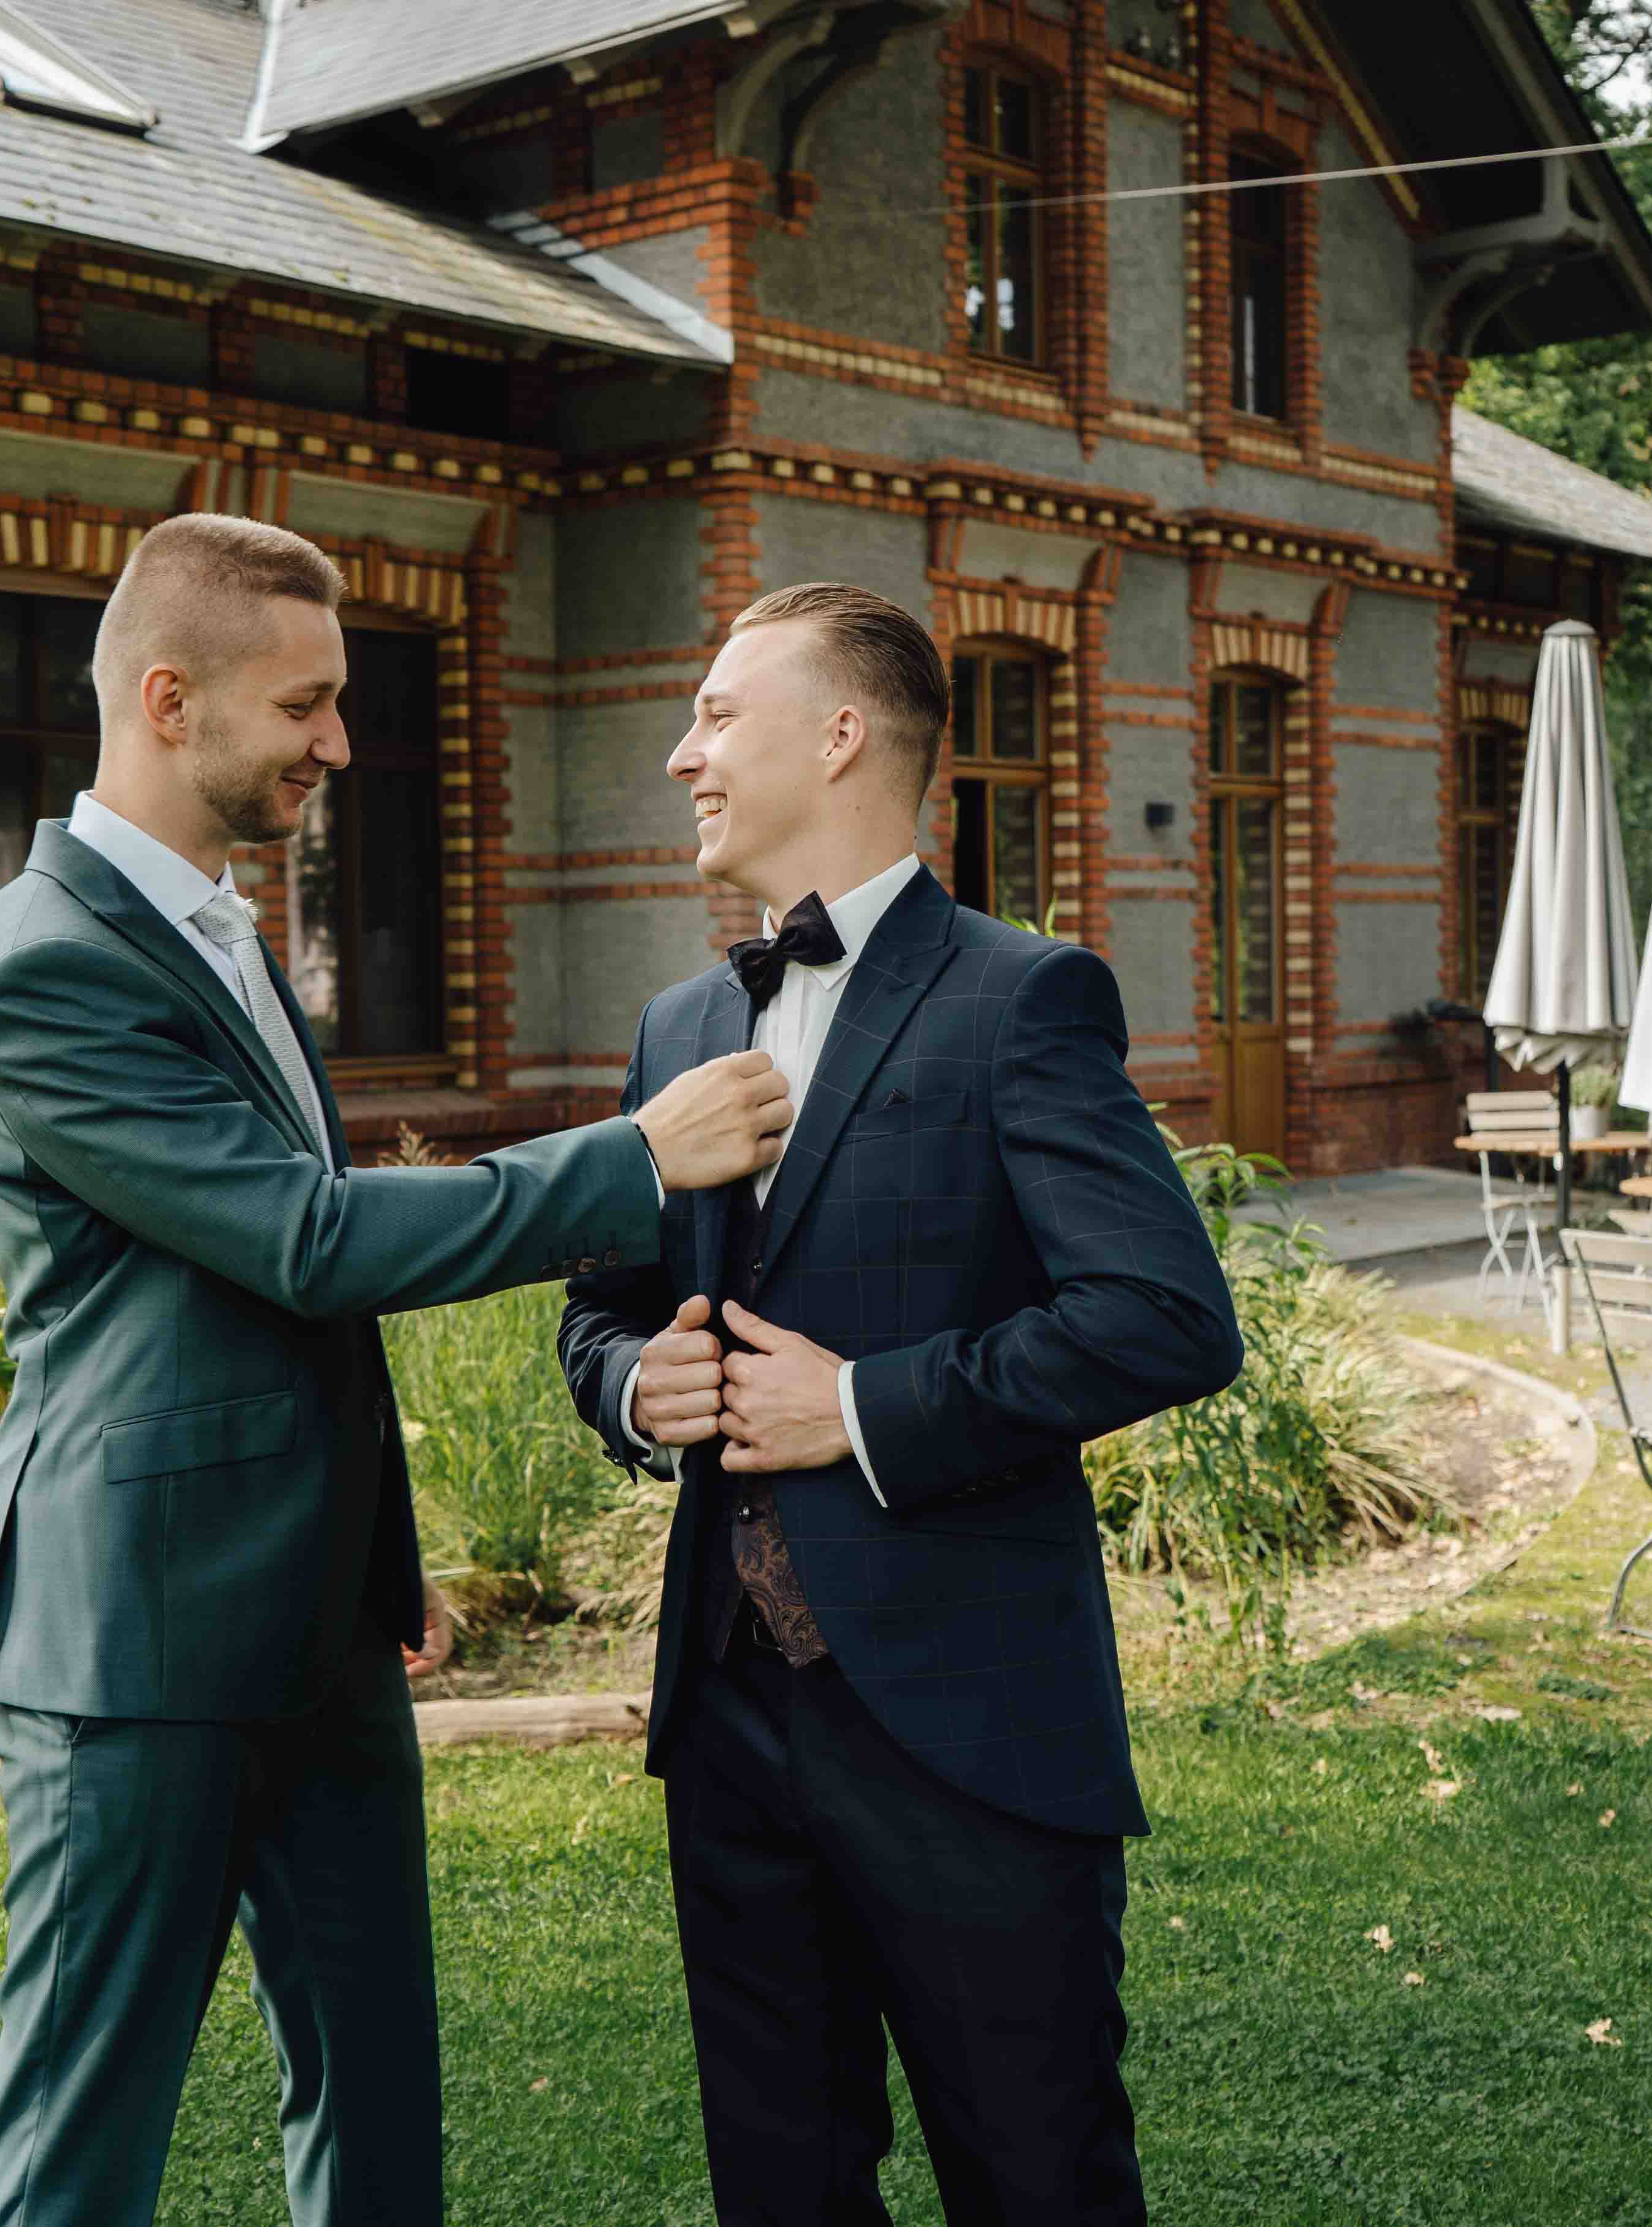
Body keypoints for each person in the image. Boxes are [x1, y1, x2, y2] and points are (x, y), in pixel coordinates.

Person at [0, 512, 794, 2227]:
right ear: (170, 701)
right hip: (137, 1649)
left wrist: (373, 1566)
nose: (341, 741)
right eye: (309, 704)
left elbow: (279, 1324)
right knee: (77, 2140)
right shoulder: (43, 961)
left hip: (316, 1625)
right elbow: (308, 1241)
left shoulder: (228, 932)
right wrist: (635, 1156)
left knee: (378, 2103)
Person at [557, 583, 1244, 2227]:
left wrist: (865, 1405)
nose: (681, 755)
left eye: (720, 715)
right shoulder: (679, 1023)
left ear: (843, 733)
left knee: (1037, 2179)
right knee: (781, 2193)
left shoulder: (1022, 998)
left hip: (969, 1727)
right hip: (724, 1723)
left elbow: (1165, 1315)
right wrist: (632, 1389)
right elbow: (602, 1308)